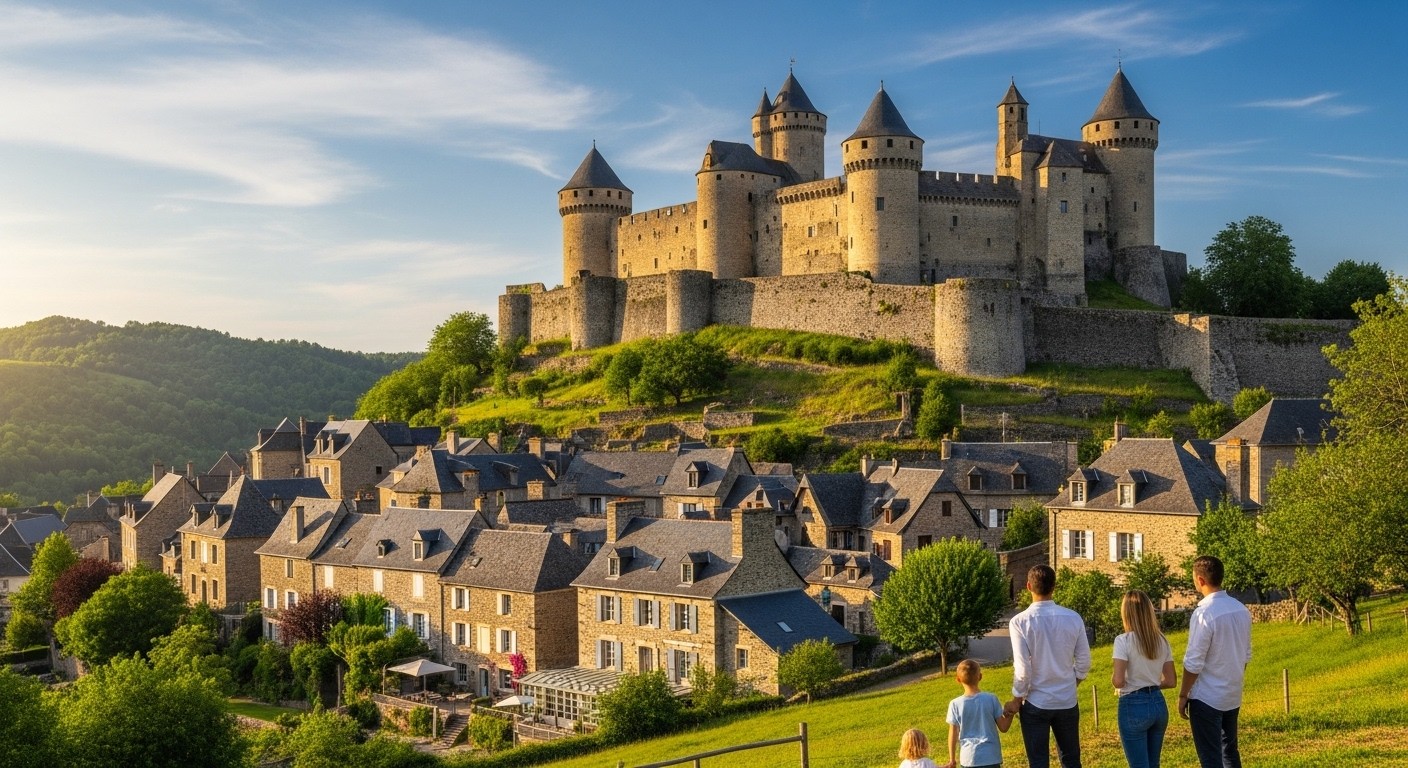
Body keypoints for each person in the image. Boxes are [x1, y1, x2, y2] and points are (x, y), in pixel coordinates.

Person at [1007, 564, 1091, 768]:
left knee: (1038, 762)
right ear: (1054, 586)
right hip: (1066, 700)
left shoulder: (1019, 622)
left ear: (1028, 586)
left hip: (1035, 701)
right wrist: (1072, 682)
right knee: (1071, 760)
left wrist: (1017, 698)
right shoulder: (1073, 617)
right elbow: (1084, 662)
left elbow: (1023, 669)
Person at [1179, 555, 1252, 768]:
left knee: (1210, 758)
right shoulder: (1241, 609)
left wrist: (1183, 694)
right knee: (1229, 753)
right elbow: (1245, 655)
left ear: (1200, 580)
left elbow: (1193, 662)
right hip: (1232, 693)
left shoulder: (1204, 613)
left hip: (1206, 697)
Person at [1112, 590, 1177, 768]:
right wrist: (1151, 683)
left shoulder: (1123, 641)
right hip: (1158, 703)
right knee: (1153, 764)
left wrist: (1118, 681)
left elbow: (1118, 681)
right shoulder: (1161, 640)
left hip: (1133, 704)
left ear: (1126, 613)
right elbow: (1171, 681)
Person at [944, 659, 1013, 768]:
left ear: (958, 679)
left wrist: (952, 759)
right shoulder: (991, 699)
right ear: (980, 676)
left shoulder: (955, 704)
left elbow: (953, 733)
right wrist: (1011, 713)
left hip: (968, 758)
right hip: (991, 757)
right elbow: (1004, 727)